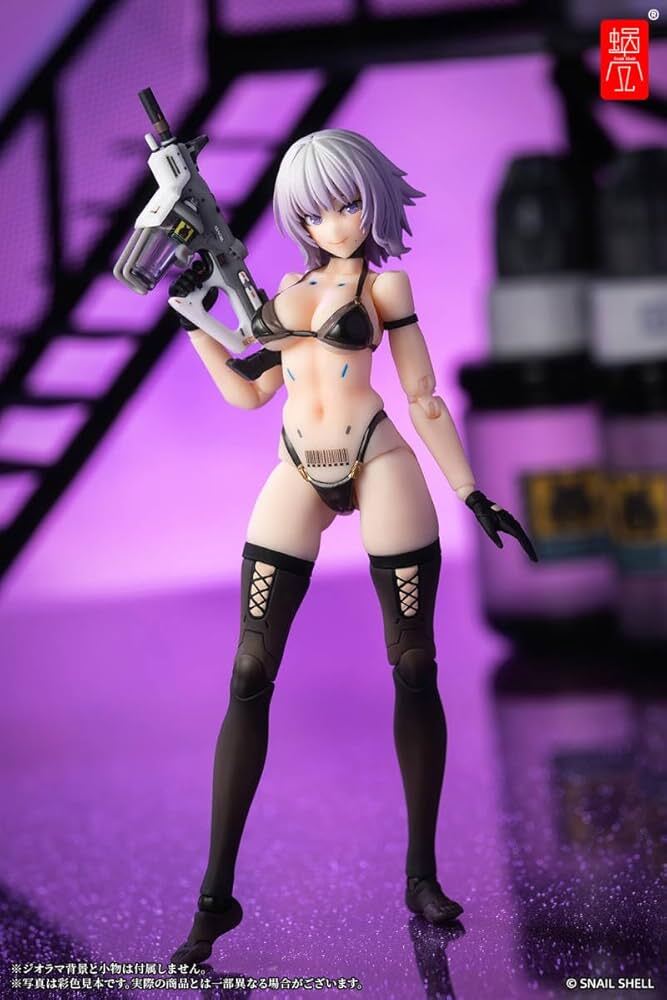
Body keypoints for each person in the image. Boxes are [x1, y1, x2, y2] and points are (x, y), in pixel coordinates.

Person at [169, 128, 536, 965]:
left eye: (345, 204)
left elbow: (424, 396)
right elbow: (252, 392)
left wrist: (471, 491)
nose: (333, 223)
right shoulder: (283, 289)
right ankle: (215, 896)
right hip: (297, 463)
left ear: (370, 199)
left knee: (413, 662)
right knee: (248, 669)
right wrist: (194, 323)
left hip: (376, 457)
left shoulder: (384, 285)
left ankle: (420, 876)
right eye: (314, 211)